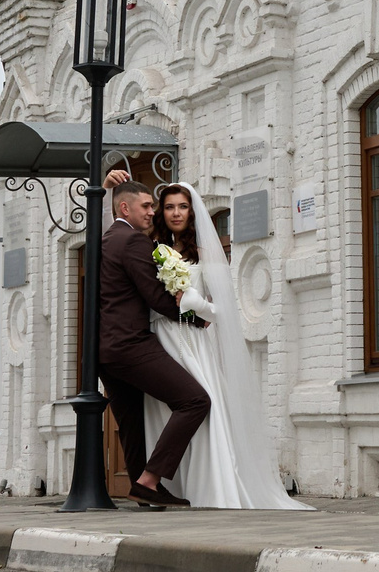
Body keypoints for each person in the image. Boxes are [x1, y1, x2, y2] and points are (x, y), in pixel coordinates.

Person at [103, 170, 308, 510]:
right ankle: (153, 486)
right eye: (167, 207)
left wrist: (194, 308)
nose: (173, 213)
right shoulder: (149, 247)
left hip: (191, 340)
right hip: (157, 338)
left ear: (193, 212)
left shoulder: (204, 252)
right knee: (156, 413)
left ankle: (203, 485)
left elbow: (220, 309)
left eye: (182, 207)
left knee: (201, 403)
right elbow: (148, 293)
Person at [94, 182, 207, 509]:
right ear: (125, 208)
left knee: (131, 424)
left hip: (105, 351)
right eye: (145, 206)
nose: (152, 211)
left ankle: (145, 492)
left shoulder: (106, 240)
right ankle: (149, 480)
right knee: (195, 400)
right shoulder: (132, 241)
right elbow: (157, 299)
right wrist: (196, 320)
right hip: (131, 345)